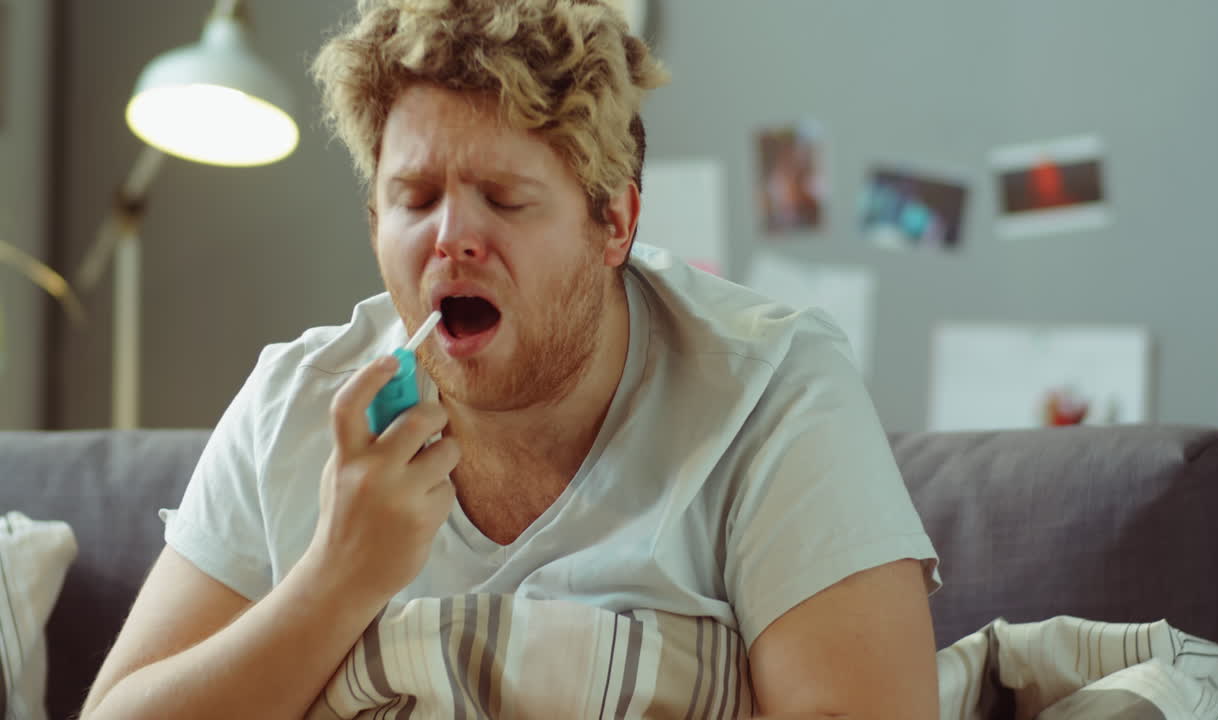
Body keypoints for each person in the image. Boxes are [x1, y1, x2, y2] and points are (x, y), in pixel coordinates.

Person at [81, 1, 941, 718]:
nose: (451, 239)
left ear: (613, 222)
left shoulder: (772, 388)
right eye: (413, 199)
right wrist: (336, 579)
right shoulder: (296, 402)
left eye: (505, 198)